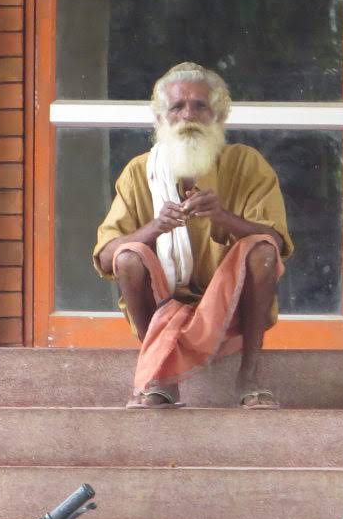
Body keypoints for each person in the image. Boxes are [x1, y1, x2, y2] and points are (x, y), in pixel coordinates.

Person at [94, 62, 293, 410]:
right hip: (165, 300)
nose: (189, 116)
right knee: (128, 255)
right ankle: (158, 376)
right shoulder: (140, 172)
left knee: (261, 250)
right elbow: (108, 256)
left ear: (218, 116)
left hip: (230, 300)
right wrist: (155, 227)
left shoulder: (246, 163)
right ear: (160, 119)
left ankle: (250, 376)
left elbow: (275, 244)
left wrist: (223, 218)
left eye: (200, 105)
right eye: (177, 107)